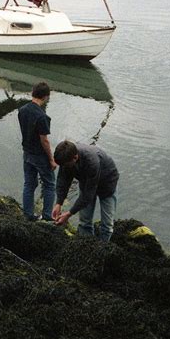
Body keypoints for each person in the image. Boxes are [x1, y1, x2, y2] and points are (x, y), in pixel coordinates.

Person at [52, 140, 119, 242]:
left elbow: (88, 196)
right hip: (86, 180)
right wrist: (58, 203)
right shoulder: (65, 159)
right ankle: (86, 243)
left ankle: (102, 248)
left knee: (107, 224)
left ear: (75, 157)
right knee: (85, 221)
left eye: (66, 165)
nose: (64, 168)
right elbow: (63, 181)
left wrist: (69, 214)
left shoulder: (91, 161)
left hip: (107, 182)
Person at [17, 82, 56, 222]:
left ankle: (28, 215)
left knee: (29, 184)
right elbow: (44, 140)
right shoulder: (42, 117)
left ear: (33, 92)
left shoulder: (22, 110)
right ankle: (47, 216)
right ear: (46, 97)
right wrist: (51, 159)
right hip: (39, 155)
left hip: (26, 152)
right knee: (50, 184)